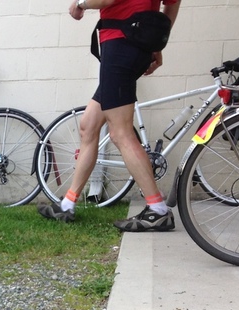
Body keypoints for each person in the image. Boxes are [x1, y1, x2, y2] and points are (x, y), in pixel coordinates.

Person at [40, 0, 181, 231]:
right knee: (89, 125)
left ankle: (157, 210)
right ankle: (67, 204)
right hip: (133, 45)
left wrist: (81, 4)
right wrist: (156, 43)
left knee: (120, 132)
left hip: (120, 45)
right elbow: (172, 3)